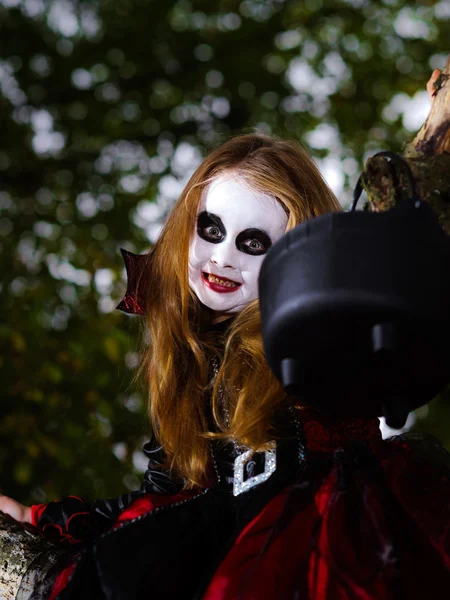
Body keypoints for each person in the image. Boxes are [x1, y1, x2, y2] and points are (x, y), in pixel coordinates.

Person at [1, 72, 449, 599]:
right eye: (210, 229)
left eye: (254, 242)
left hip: (326, 542)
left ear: (295, 258)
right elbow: (164, 499)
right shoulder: (189, 358)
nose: (222, 257)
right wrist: (41, 516)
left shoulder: (308, 338)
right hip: (229, 544)